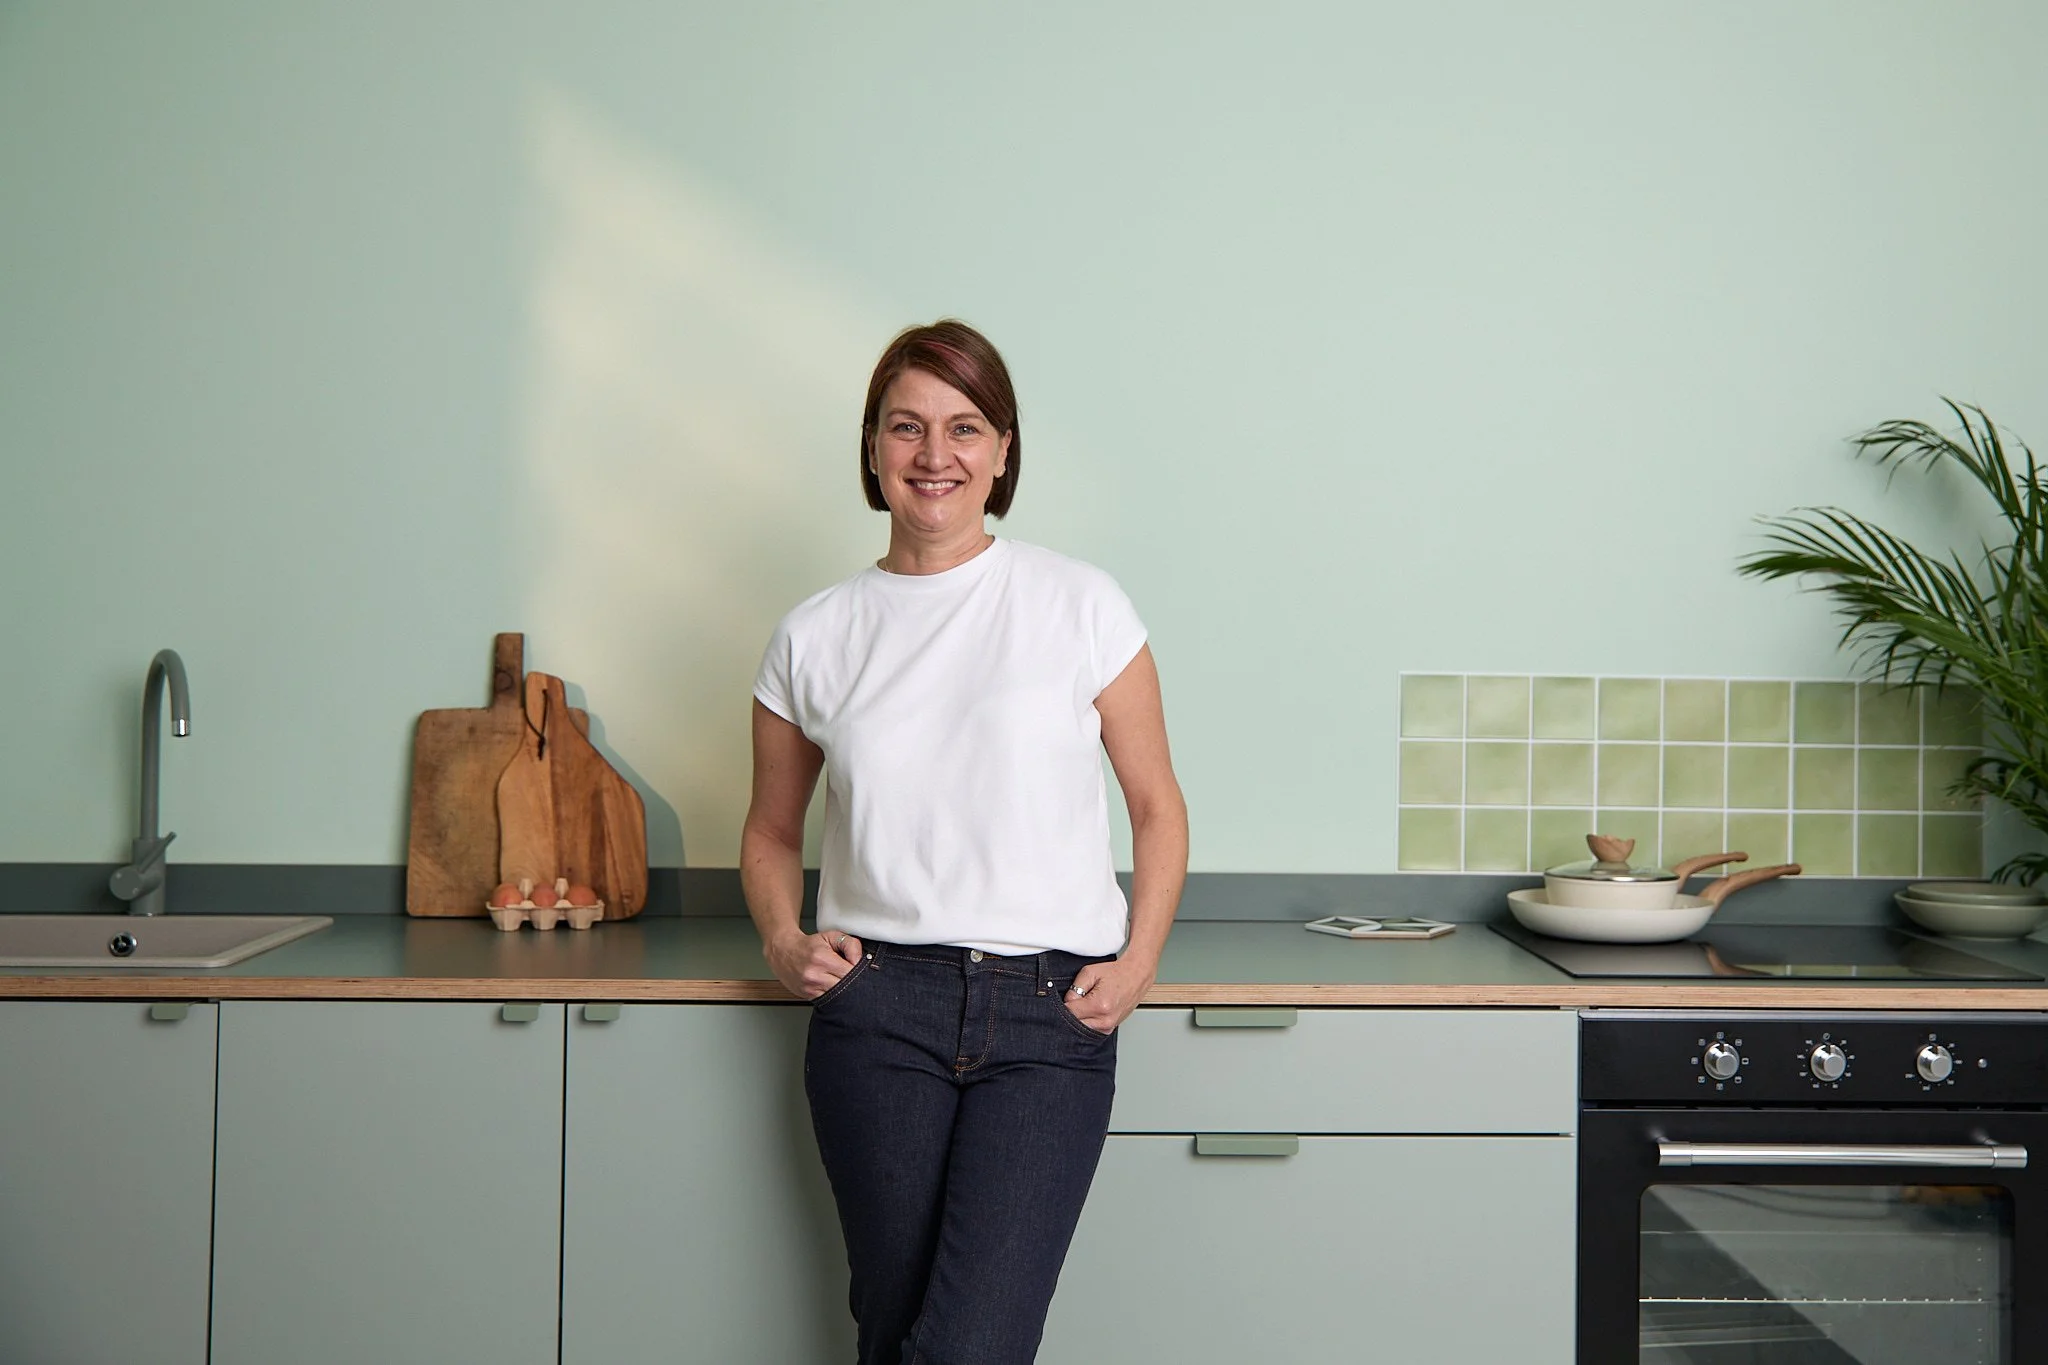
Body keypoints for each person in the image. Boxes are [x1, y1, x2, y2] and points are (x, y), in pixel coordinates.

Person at [741, 319, 1188, 1365]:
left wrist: (1138, 965)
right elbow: (767, 834)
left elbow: (1157, 806)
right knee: (892, 1331)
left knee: (971, 1346)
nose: (933, 455)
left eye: (963, 427)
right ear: (870, 448)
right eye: (906, 427)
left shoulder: (1080, 605)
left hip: (1048, 1019)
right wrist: (778, 938)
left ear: (1001, 452)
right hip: (875, 1015)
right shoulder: (813, 636)